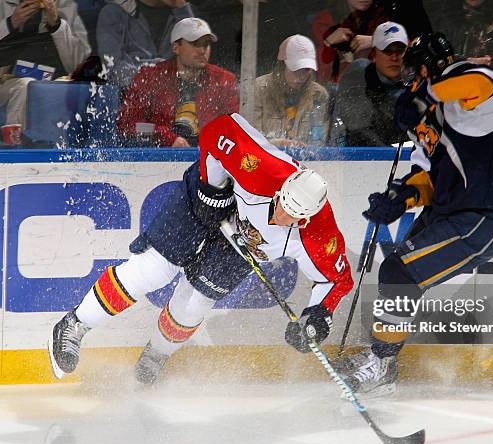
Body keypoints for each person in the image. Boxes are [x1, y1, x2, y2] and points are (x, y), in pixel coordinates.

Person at [48, 112, 354, 384]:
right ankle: (74, 324)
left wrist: (317, 318)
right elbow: (219, 130)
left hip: (241, 246)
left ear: (308, 217)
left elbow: (337, 280)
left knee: (193, 304)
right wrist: (212, 188)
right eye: (281, 205)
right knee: (152, 271)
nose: (280, 217)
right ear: (283, 188)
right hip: (207, 202)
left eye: (292, 217)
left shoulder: (319, 234)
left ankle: (157, 353)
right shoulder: (262, 167)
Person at [334, 33, 493, 395]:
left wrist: (427, 94)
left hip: (483, 217)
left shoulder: (463, 94)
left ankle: (381, 363)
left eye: (417, 72)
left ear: (428, 68)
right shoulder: (431, 114)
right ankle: (384, 358)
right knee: (397, 270)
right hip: (453, 211)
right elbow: (428, 178)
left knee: (399, 271)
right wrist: (400, 198)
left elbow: (487, 81)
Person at [116, 17, 239, 148]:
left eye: (206, 44)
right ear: (176, 47)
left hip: (208, 157)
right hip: (160, 156)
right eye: (195, 43)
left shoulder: (224, 80)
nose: (202, 50)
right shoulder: (150, 77)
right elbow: (127, 124)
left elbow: (234, 128)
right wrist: (165, 137)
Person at [0, 0, 91, 128]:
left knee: (63, 89)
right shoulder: (3, 5)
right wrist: (10, 24)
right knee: (25, 85)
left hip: (53, 80)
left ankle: (55, 145)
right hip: (8, 83)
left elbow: (79, 64)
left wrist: (56, 24)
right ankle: (14, 141)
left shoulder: (65, 6)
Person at [330, 21, 408, 146]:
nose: (394, 57)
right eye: (387, 51)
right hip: (362, 158)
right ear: (374, 54)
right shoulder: (360, 74)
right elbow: (357, 129)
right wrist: (389, 155)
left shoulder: (414, 83)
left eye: (399, 52)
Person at [252, 34, 330, 148]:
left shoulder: (319, 95)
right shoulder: (258, 88)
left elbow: (319, 141)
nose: (301, 77)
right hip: (266, 160)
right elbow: (250, 137)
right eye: (296, 70)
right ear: (282, 65)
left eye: (306, 70)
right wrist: (280, 144)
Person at [96, 0, 194, 88]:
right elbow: (113, 67)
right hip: (130, 95)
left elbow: (195, 58)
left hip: (176, 94)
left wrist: (181, 8)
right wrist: (153, 80)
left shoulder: (182, 12)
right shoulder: (114, 13)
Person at [319, 0, 386, 84]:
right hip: (338, 85)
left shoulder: (383, 16)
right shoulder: (324, 22)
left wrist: (374, 40)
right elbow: (321, 73)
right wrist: (328, 42)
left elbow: (403, 45)